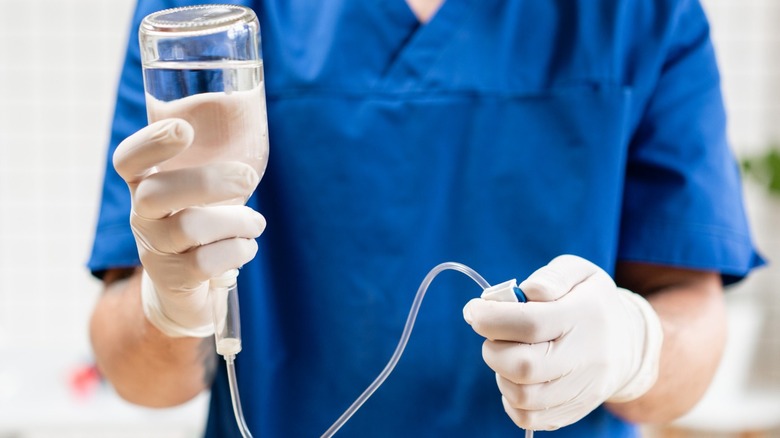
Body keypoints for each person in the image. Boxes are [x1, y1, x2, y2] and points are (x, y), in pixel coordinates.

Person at [88, 0, 764, 436]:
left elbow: (692, 314)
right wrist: (171, 309)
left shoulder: (641, 14)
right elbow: (141, 374)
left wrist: (632, 346)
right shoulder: (199, 16)